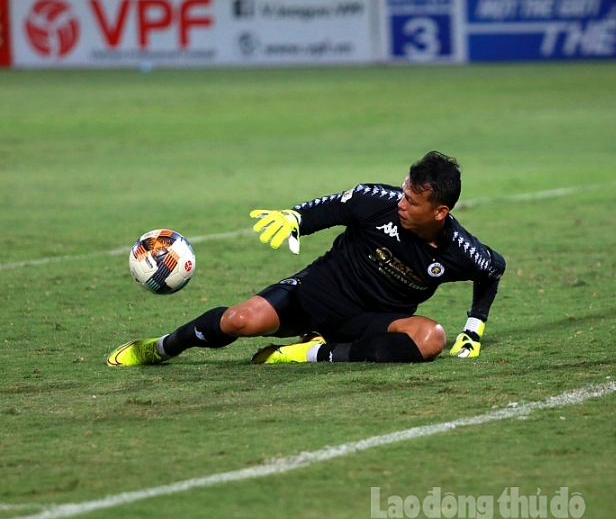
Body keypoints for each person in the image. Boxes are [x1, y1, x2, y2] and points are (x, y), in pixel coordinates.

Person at [108, 151, 505, 366]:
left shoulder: (459, 250)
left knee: (431, 337)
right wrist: (293, 218)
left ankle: (310, 352)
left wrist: (474, 328)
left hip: (372, 321)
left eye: (412, 201)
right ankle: (159, 348)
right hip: (318, 292)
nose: (402, 203)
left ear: (439, 212)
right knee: (239, 320)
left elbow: (493, 268)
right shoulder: (376, 201)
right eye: (403, 193)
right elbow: (322, 211)